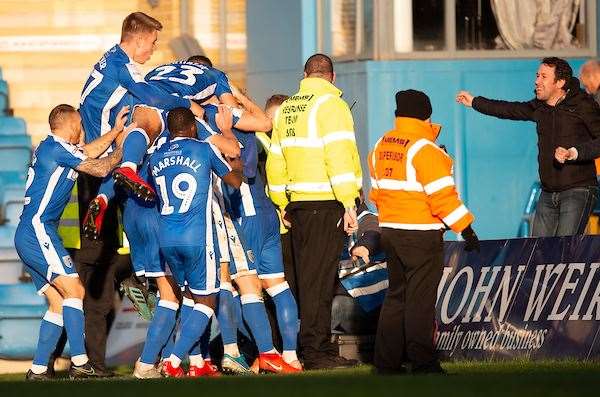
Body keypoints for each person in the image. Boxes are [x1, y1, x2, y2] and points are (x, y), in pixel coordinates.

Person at [15, 104, 131, 379]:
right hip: (38, 230)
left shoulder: (54, 148)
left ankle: (39, 368)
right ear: (69, 124)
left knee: (58, 303)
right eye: (79, 124)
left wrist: (114, 131)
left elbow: (89, 152)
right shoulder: (56, 147)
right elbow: (102, 168)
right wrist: (126, 146)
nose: (82, 129)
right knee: (76, 291)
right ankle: (81, 362)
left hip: (30, 232)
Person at [370, 89, 478, 374]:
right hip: (421, 232)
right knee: (420, 299)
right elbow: (442, 197)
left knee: (396, 296)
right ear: (425, 115)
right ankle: (423, 361)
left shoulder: (381, 144)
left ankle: (386, 363)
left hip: (390, 231)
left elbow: (376, 192)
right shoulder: (425, 149)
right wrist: (466, 229)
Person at [266, 53, 362, 369]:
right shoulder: (331, 105)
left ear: (305, 74)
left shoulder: (288, 108)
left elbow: (275, 161)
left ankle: (305, 348)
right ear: (331, 77)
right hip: (327, 202)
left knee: (304, 281)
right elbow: (340, 156)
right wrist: (350, 201)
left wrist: (282, 204)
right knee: (319, 282)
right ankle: (316, 352)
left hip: (297, 207)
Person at [79, 12, 205, 237]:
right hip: (103, 139)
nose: (154, 48)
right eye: (153, 42)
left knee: (139, 104)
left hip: (99, 136)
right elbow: (154, 98)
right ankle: (128, 169)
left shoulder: (112, 57)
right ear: (138, 40)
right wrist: (187, 104)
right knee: (152, 114)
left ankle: (103, 198)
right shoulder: (123, 65)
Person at [456, 57, 600, 237]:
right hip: (548, 192)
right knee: (538, 251)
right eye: (537, 75)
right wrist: (475, 102)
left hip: (578, 189)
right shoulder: (539, 107)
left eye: (543, 77)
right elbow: (509, 109)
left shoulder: (583, 105)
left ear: (560, 82)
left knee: (564, 249)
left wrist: (574, 153)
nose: (537, 81)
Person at [149, 107, 243, 377]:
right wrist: (236, 162)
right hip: (197, 237)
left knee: (189, 297)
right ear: (192, 128)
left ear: (169, 129)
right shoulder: (203, 149)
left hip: (167, 238)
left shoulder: (156, 157)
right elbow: (234, 181)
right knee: (207, 302)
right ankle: (173, 361)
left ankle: (197, 364)